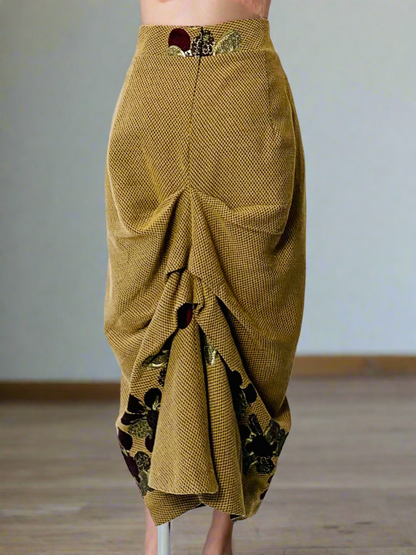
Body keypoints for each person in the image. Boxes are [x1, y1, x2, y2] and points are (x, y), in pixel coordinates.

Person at [103, 1, 306, 554]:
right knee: (191, 304)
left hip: (193, 89)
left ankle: (176, 532)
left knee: (197, 304)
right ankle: (202, 532)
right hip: (217, 90)